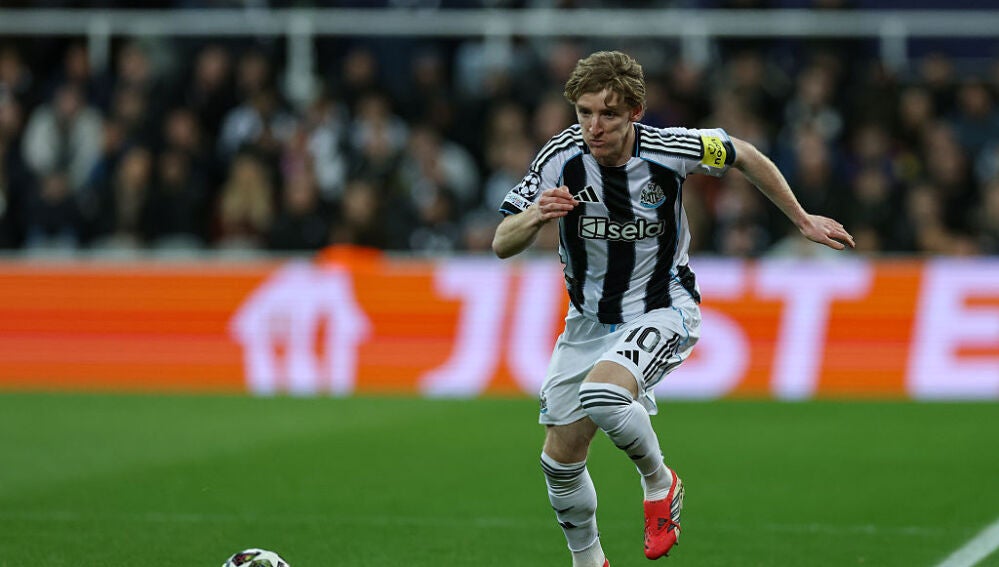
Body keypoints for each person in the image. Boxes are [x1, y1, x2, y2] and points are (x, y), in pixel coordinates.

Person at [491, 51, 854, 567]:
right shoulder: (558, 158)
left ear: (635, 111)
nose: (594, 126)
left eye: (609, 114)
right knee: (559, 461)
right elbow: (501, 242)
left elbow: (743, 152)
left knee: (603, 394)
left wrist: (800, 219)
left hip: (662, 307)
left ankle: (661, 483)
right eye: (585, 112)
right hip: (587, 322)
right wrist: (534, 217)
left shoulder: (669, 149)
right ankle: (589, 562)